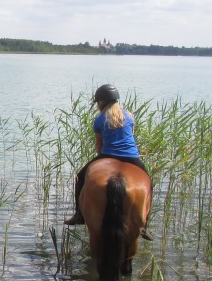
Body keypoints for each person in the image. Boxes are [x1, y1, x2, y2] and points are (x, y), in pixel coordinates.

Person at [63, 83, 152, 240]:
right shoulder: (130, 116)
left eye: (98, 102)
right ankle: (144, 225)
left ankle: (79, 214)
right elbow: (130, 136)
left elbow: (99, 145)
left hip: (108, 156)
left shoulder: (99, 120)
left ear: (102, 102)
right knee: (149, 183)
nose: (98, 105)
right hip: (131, 157)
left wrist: (102, 160)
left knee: (80, 177)